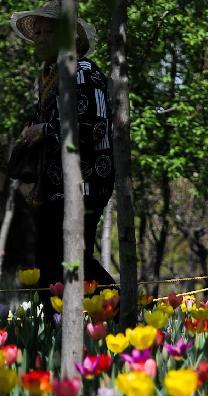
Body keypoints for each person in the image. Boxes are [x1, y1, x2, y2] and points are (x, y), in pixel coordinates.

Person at [10, 1, 115, 319]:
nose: (40, 38)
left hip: (85, 184)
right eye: (37, 32)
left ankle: (119, 309)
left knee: (72, 256)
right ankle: (59, 327)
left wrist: (46, 130)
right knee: (47, 258)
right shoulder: (45, 76)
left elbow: (93, 125)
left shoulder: (84, 72)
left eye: (48, 32)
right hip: (50, 189)